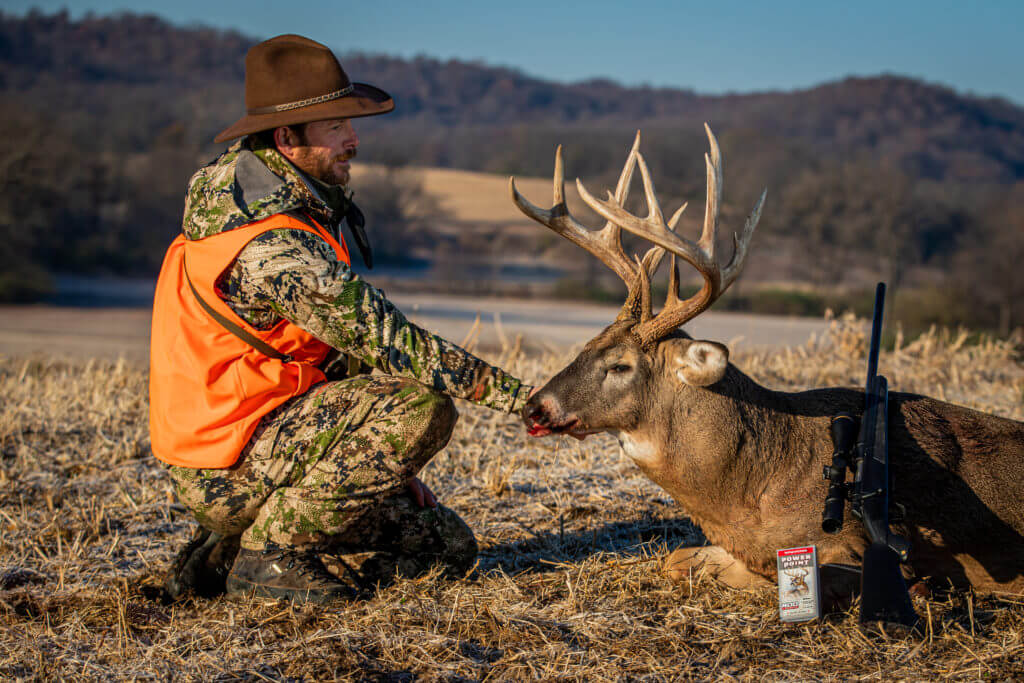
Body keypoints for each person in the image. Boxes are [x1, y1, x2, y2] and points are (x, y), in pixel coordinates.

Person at [150, 34, 531, 604]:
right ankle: (267, 557)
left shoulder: (287, 201)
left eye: (350, 125)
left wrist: (381, 461)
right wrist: (527, 399)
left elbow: (332, 352)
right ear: (286, 138)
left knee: (446, 550)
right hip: (228, 459)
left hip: (270, 435)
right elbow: (386, 341)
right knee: (423, 404)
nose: (353, 141)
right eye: (335, 127)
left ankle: (225, 550)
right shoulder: (271, 241)